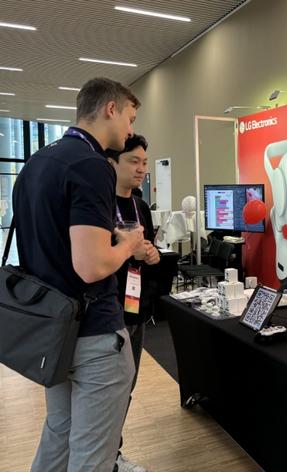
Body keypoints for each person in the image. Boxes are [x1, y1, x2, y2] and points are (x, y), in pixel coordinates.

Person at [12, 77, 145, 471]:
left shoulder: (37, 163)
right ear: (110, 109)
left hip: (52, 330)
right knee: (92, 455)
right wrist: (128, 244)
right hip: (93, 335)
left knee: (59, 434)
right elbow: (92, 266)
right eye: (130, 118)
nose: (130, 131)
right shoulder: (91, 165)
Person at [106, 134, 160, 472]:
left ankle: (113, 452)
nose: (141, 169)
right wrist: (130, 252)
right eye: (133, 161)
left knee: (127, 385)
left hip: (136, 306)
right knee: (110, 391)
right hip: (107, 311)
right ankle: (105, 456)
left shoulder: (140, 206)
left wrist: (151, 255)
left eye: (144, 162)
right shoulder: (98, 205)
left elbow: (149, 250)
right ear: (112, 163)